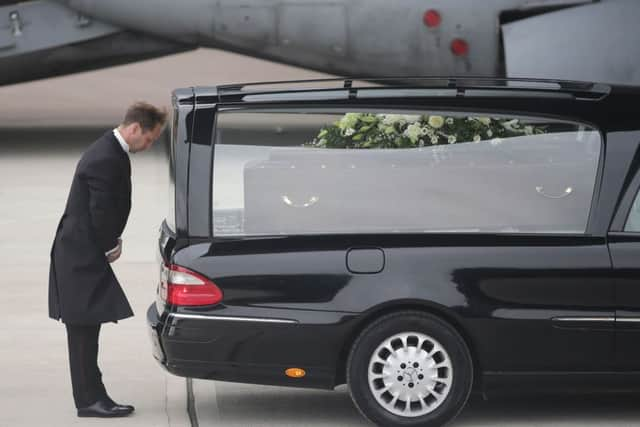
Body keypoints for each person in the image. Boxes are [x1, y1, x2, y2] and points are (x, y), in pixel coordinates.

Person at [48, 102, 167, 417]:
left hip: (80, 251)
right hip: (80, 254)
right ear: (134, 129)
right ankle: (89, 401)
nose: (149, 145)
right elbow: (100, 212)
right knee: (83, 330)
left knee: (88, 328)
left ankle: (94, 396)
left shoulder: (109, 151)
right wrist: (108, 245)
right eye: (150, 138)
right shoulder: (106, 157)